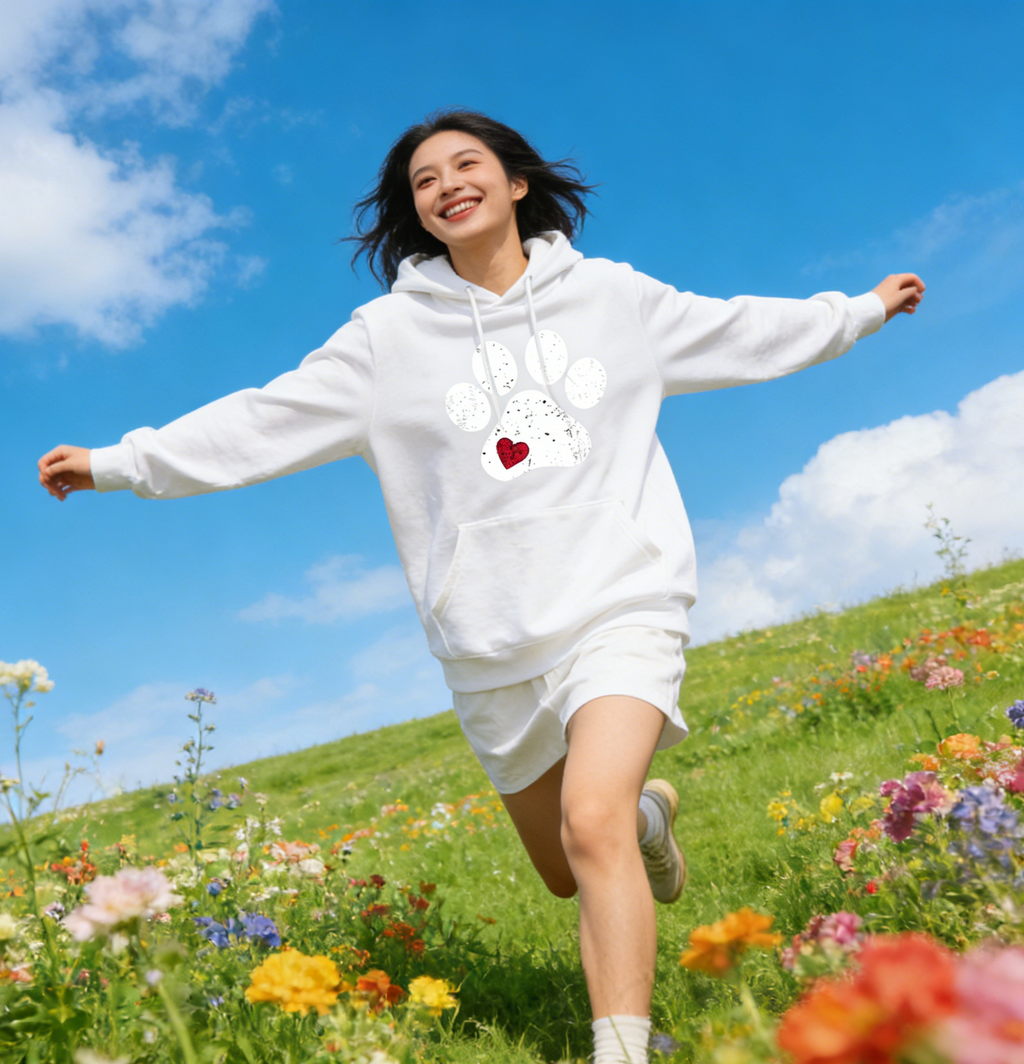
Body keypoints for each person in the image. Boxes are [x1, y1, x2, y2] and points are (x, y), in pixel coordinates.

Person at [38, 108, 924, 1064]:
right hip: (489, 635)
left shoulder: (613, 300)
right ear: (415, 212)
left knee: (590, 825)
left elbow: (745, 331)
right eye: (424, 180)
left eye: (468, 165)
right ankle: (645, 814)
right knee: (564, 865)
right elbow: (262, 420)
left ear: (515, 185)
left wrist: (861, 309)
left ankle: (620, 1047)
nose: (447, 184)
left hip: (622, 593)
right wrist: (119, 461)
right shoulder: (383, 341)